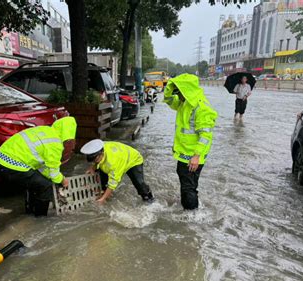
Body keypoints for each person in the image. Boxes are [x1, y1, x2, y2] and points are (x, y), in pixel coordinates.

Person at [0, 116, 77, 217]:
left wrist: (52, 177)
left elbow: (43, 168)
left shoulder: (46, 131)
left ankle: (30, 211)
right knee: (45, 186)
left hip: (0, 159)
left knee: (36, 181)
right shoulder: (56, 144)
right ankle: (40, 218)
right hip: (11, 164)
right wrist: (63, 180)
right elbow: (54, 174)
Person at [163, 73, 217, 210]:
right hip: (184, 154)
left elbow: (206, 135)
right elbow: (168, 100)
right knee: (189, 185)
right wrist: (170, 86)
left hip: (192, 157)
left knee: (188, 188)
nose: (177, 93)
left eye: (179, 90)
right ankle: (189, 208)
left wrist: (196, 156)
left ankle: (191, 215)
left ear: (186, 90)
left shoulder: (200, 107)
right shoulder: (185, 102)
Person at [80, 139, 154, 204]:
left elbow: (113, 182)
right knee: (103, 180)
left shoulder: (113, 162)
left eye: (95, 160)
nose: (94, 161)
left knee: (139, 183)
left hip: (133, 160)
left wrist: (103, 199)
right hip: (117, 157)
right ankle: (106, 193)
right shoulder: (100, 146)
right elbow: (96, 160)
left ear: (101, 154)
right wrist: (93, 167)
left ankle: (149, 199)